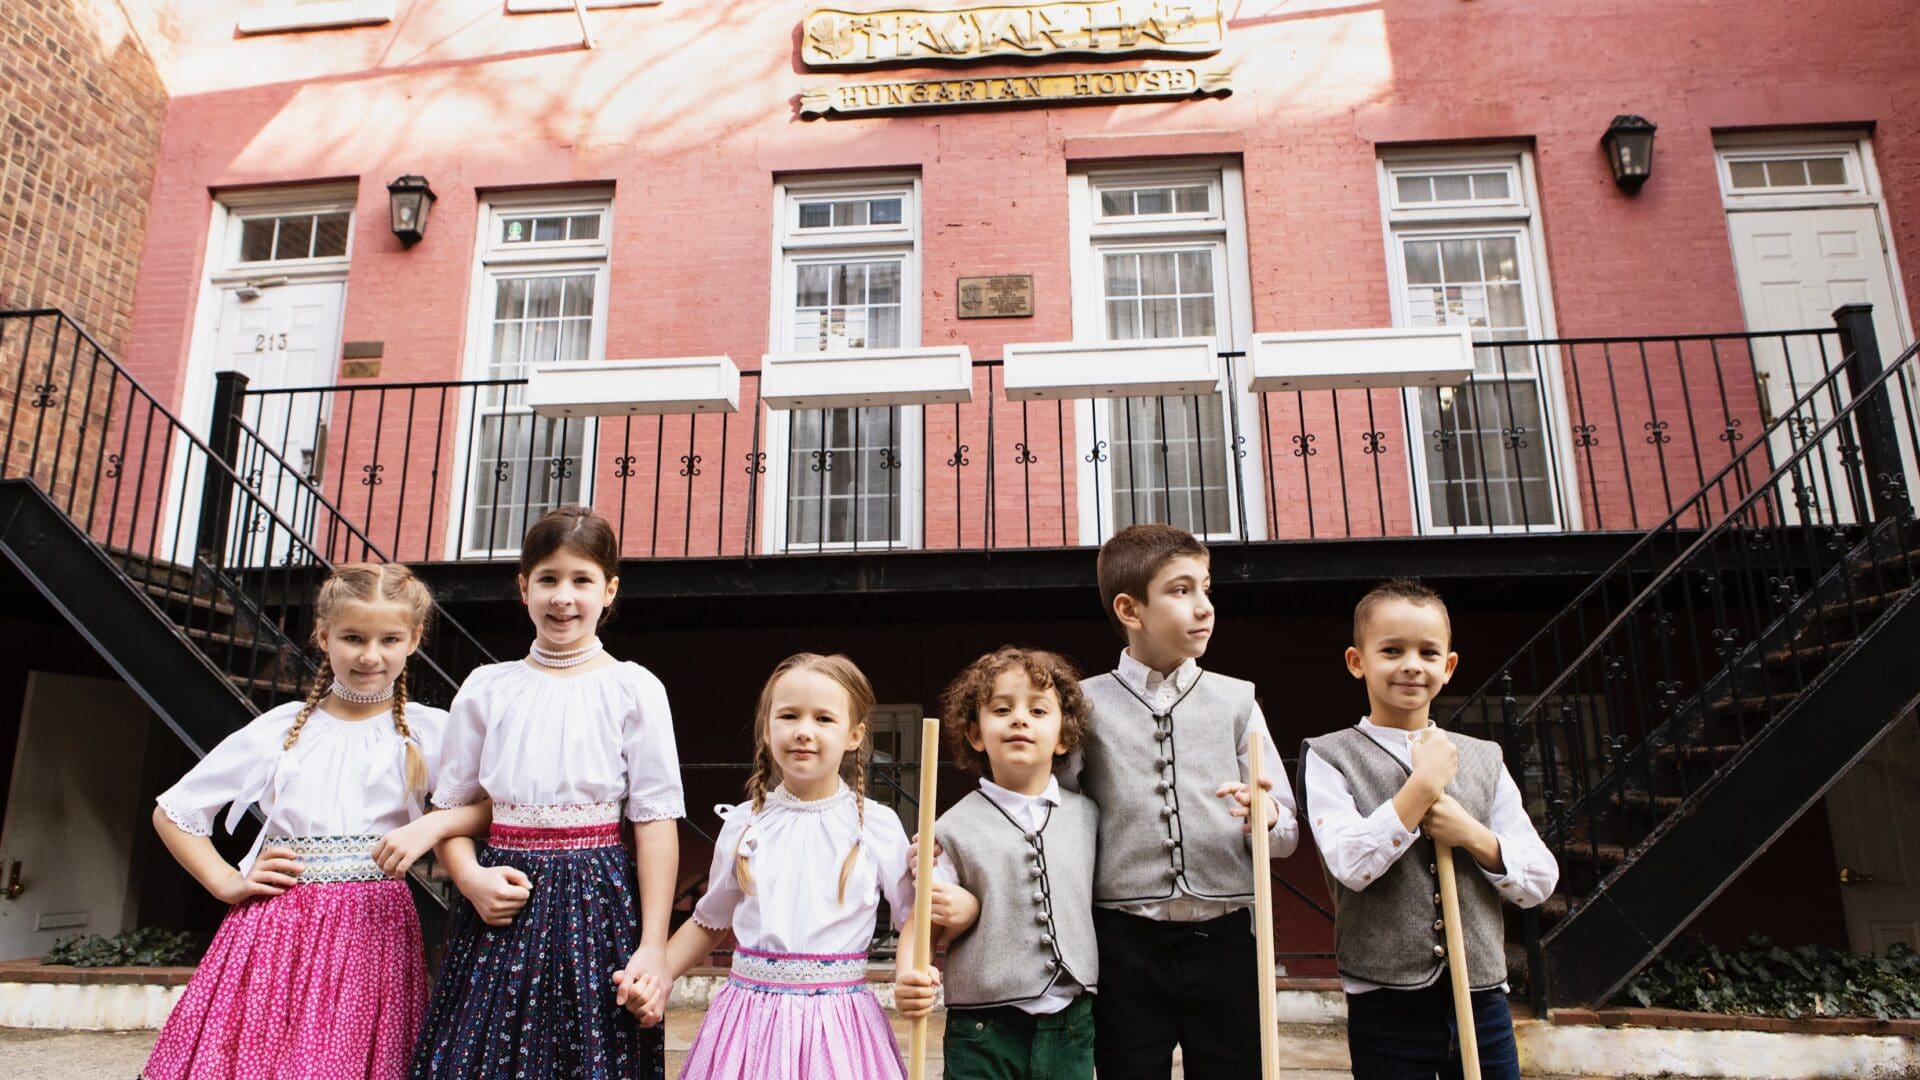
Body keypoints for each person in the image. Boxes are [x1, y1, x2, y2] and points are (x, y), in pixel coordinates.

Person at [144, 562, 462, 1080]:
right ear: (323, 635)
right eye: (353, 637)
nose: (369, 655)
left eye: (389, 639)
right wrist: (226, 880)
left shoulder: (431, 731)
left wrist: (430, 827)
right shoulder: (281, 728)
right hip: (276, 926)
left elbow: (489, 805)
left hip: (372, 928)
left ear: (414, 640)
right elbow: (175, 811)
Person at [409, 507, 684, 1080]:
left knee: (590, 1058)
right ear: (523, 587)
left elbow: (654, 821)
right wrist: (468, 878)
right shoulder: (488, 688)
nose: (564, 597)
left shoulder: (635, 689)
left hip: (598, 899)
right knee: (477, 1058)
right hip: (503, 899)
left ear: (608, 591)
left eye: (582, 580)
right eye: (549, 579)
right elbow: (454, 810)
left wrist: (654, 947)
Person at [1066, 522, 1299, 1079]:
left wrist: (1263, 816)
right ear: (1130, 609)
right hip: (1123, 945)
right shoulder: (1083, 705)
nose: (1204, 606)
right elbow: (1061, 820)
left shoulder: (1238, 700)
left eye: (1206, 588)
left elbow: (1287, 835)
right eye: (1181, 590)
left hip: (1225, 943)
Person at [1300, 578, 1559, 1080]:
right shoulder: (1329, 756)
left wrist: (1471, 834)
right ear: (1358, 661)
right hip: (1384, 1002)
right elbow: (1352, 864)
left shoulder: (1485, 759)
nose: (1411, 665)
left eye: (1427, 651)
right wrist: (1422, 788)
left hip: (1481, 998)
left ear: (1448, 666)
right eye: (1392, 650)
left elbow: (1539, 882)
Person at [620, 653, 921, 1080]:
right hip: (748, 1027)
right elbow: (710, 922)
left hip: (838, 1027)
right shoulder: (744, 822)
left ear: (854, 735)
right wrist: (656, 974)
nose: (803, 731)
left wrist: (910, 971)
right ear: (767, 729)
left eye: (823, 719)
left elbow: (914, 916)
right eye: (789, 716)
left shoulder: (876, 825)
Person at [926, 646, 1099, 1079]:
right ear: (975, 734)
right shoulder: (950, 828)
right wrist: (914, 971)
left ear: (1063, 737)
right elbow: (927, 919)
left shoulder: (1090, 817)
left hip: (1070, 1024)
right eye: (1002, 709)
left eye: (1038, 710)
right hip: (983, 1030)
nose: (1020, 718)